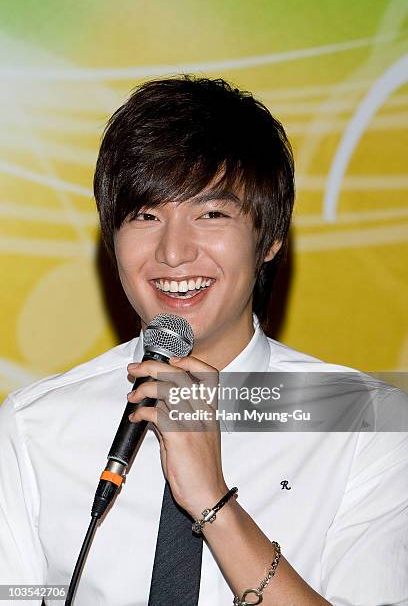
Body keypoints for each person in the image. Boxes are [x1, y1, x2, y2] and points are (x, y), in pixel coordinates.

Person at [0, 75, 407, 606]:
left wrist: (212, 501)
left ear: (270, 238)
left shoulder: (363, 422)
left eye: (210, 214)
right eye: (146, 216)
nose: (173, 252)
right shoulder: (36, 426)